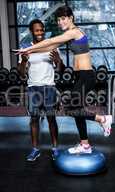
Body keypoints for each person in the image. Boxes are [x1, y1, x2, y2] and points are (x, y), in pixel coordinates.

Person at [16, 6, 112, 154]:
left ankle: (103, 119)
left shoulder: (74, 32)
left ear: (70, 18)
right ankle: (85, 145)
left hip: (86, 75)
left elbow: (52, 40)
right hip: (79, 76)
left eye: (62, 19)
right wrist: (28, 50)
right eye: (58, 20)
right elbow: (49, 46)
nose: (60, 22)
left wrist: (28, 50)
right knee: (77, 109)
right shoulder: (69, 34)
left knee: (70, 108)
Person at [18, 19, 65, 161]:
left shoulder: (52, 47)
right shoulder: (26, 49)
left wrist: (58, 60)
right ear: (32, 31)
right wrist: (25, 61)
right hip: (33, 87)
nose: (40, 32)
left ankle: (55, 148)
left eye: (42, 29)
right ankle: (35, 150)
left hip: (49, 86)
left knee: (51, 118)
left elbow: (61, 70)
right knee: (34, 119)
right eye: (37, 30)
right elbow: (21, 74)